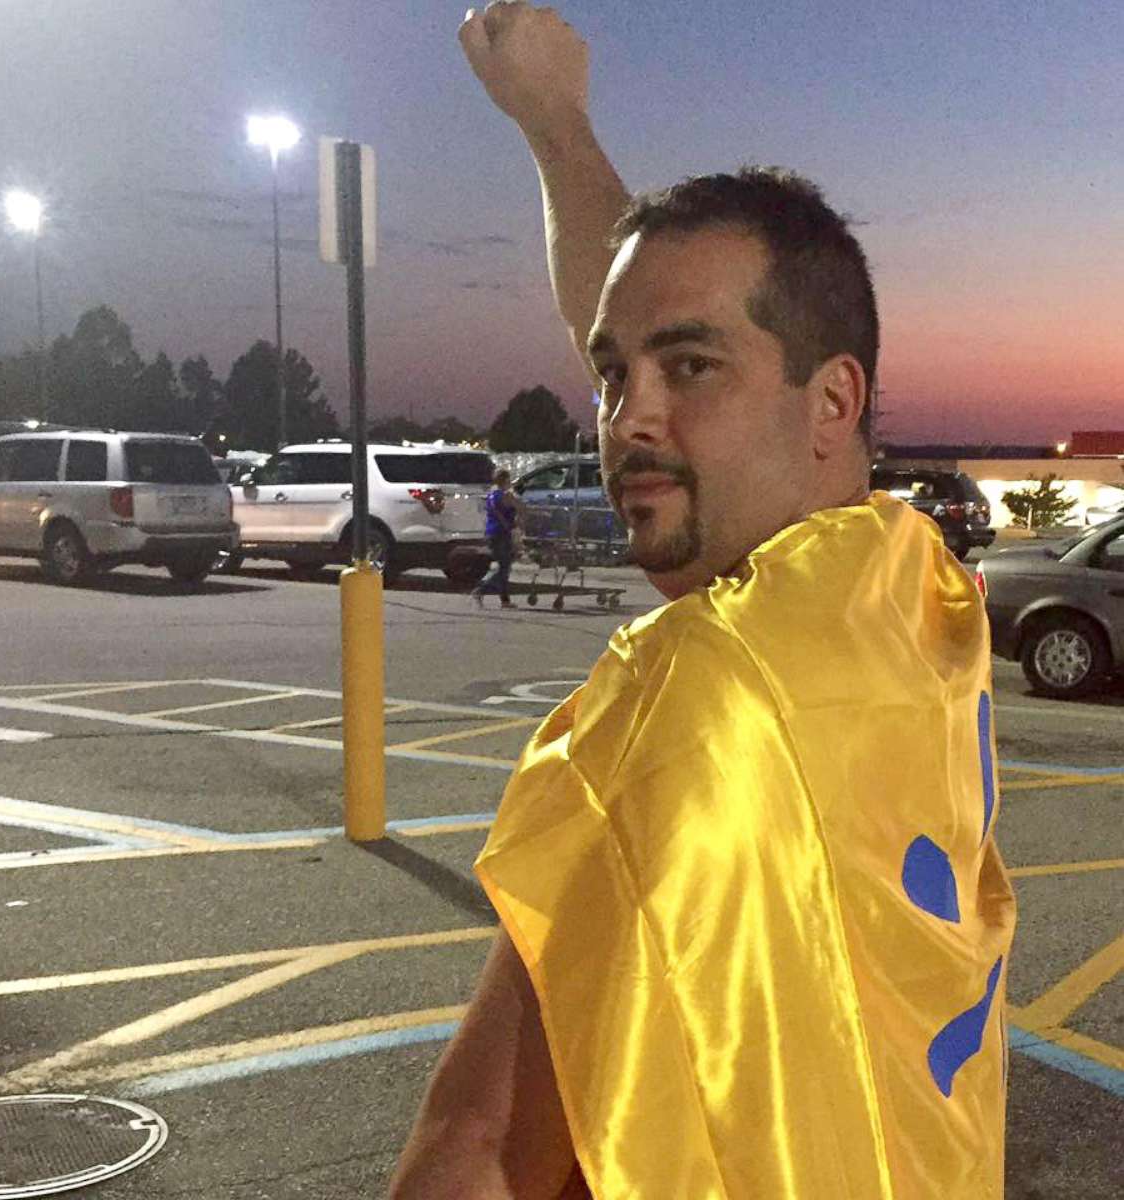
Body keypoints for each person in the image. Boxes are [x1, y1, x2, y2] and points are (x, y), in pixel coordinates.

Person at [390, 5, 1016, 1198]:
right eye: (610, 377)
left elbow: (475, 1149)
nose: (628, 417)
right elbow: (651, 319)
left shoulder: (709, 686)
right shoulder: (904, 587)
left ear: (832, 404)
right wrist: (557, 128)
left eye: (689, 369)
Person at [472, 466, 523, 608]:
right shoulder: (501, 495)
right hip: (500, 532)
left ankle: (504, 599)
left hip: (495, 531)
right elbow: (514, 507)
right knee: (504, 567)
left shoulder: (494, 494)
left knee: (504, 567)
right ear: (505, 480)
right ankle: (480, 589)